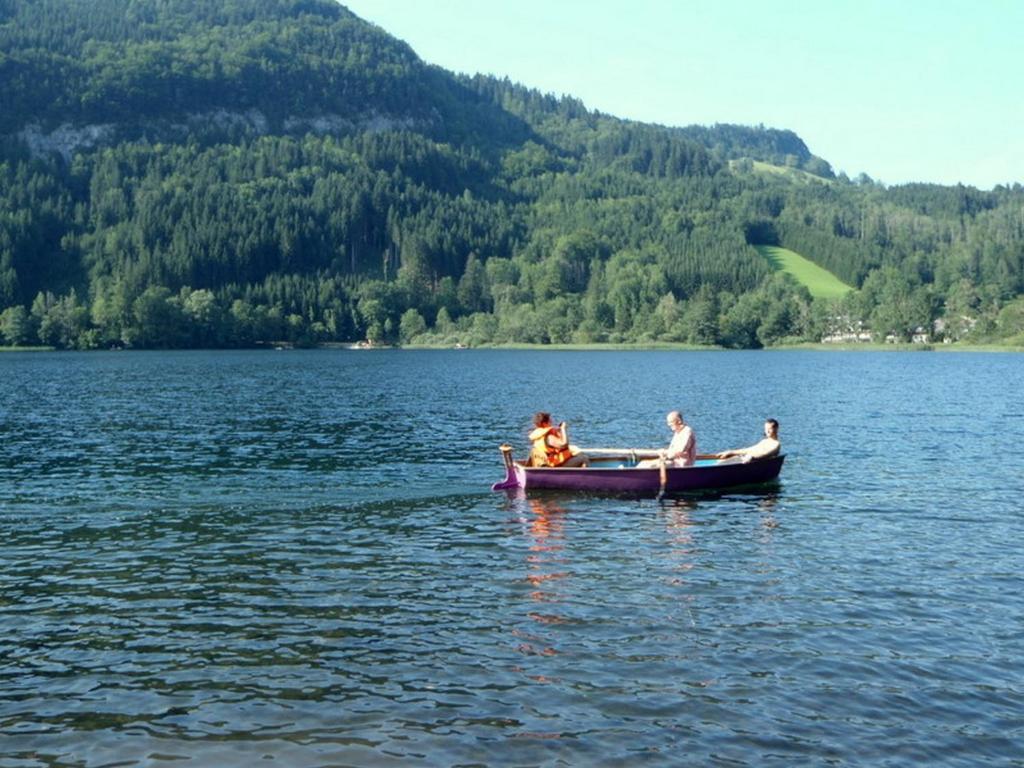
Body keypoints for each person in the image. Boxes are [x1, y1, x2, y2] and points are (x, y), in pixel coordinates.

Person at [716, 419, 781, 463]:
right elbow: (750, 449)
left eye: (770, 429)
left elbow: (765, 454)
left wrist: (752, 457)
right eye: (765, 429)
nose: (767, 431)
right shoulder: (764, 441)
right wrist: (731, 452)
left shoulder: (776, 444)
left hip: (752, 461)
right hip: (746, 458)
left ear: (776, 429)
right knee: (722, 459)